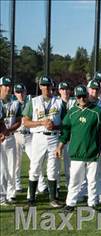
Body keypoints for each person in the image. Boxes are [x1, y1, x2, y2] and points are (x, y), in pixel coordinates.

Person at [55, 85, 101, 213]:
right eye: (79, 96)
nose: (82, 99)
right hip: (76, 153)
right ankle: (70, 204)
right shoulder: (72, 112)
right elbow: (65, 131)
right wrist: (60, 146)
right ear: (76, 97)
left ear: (87, 95)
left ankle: (92, 204)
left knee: (92, 180)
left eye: (84, 96)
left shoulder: (97, 111)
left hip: (94, 152)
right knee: (74, 180)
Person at [22, 75, 66, 208]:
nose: (46, 87)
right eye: (44, 85)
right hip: (38, 137)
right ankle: (31, 198)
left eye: (48, 85)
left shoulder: (59, 102)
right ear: (40, 86)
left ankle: (53, 198)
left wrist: (55, 126)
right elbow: (26, 122)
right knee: (35, 167)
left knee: (53, 169)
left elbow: (66, 123)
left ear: (52, 86)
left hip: (54, 137)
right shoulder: (33, 101)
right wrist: (41, 122)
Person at [13, 83, 48, 194]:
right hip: (16, 134)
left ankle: (41, 185)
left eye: (22, 92)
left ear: (25, 92)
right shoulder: (13, 103)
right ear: (15, 93)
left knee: (36, 160)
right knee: (16, 162)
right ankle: (17, 185)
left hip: (29, 135)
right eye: (18, 92)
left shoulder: (31, 102)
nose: (20, 94)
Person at [0, 76, 22, 205]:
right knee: (2, 169)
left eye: (9, 86)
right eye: (5, 86)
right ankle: (2, 196)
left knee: (12, 167)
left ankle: (11, 193)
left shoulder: (15, 102)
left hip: (10, 137)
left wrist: (7, 131)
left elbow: (19, 121)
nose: (8, 88)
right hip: (1, 138)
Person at [57, 81, 76, 185]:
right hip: (57, 137)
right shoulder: (55, 102)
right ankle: (57, 187)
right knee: (56, 165)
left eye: (67, 89)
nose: (65, 91)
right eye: (63, 89)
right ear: (59, 91)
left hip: (71, 137)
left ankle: (70, 186)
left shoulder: (75, 102)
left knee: (70, 165)